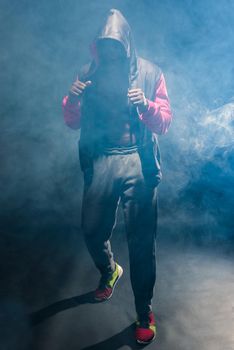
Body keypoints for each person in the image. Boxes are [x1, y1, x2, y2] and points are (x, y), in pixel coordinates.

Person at [62, 8, 172, 345]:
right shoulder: (87, 73)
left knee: (141, 242)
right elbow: (71, 122)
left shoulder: (151, 73)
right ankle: (110, 270)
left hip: (137, 162)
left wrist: (147, 106)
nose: (110, 51)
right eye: (104, 45)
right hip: (102, 160)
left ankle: (144, 310)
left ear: (126, 45)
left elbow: (164, 123)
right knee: (92, 229)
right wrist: (73, 100)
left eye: (115, 45)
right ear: (97, 46)